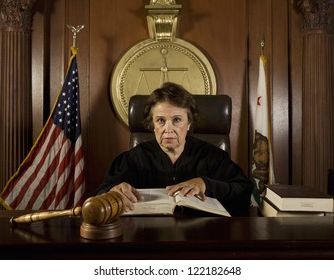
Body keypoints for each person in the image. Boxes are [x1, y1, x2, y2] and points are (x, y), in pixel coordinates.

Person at [96, 82, 253, 216]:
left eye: (177, 120)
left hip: (202, 238)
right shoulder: (133, 159)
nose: (168, 129)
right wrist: (112, 191)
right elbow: (101, 193)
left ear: (189, 123)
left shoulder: (213, 156)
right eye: (161, 121)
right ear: (152, 125)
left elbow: (244, 193)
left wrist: (206, 184)